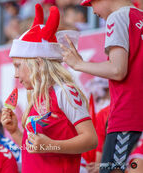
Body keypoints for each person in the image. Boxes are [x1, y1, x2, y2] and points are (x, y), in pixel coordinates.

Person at [1, 4, 98, 173]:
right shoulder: (36, 97)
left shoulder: (65, 91)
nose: (16, 75)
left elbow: (91, 140)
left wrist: (51, 145)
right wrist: (15, 131)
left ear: (37, 63)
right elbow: (34, 152)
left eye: (18, 66)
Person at [60, 0, 143, 172]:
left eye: (92, 3)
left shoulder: (117, 17)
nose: (92, 10)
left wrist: (78, 64)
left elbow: (117, 69)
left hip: (127, 119)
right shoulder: (139, 16)